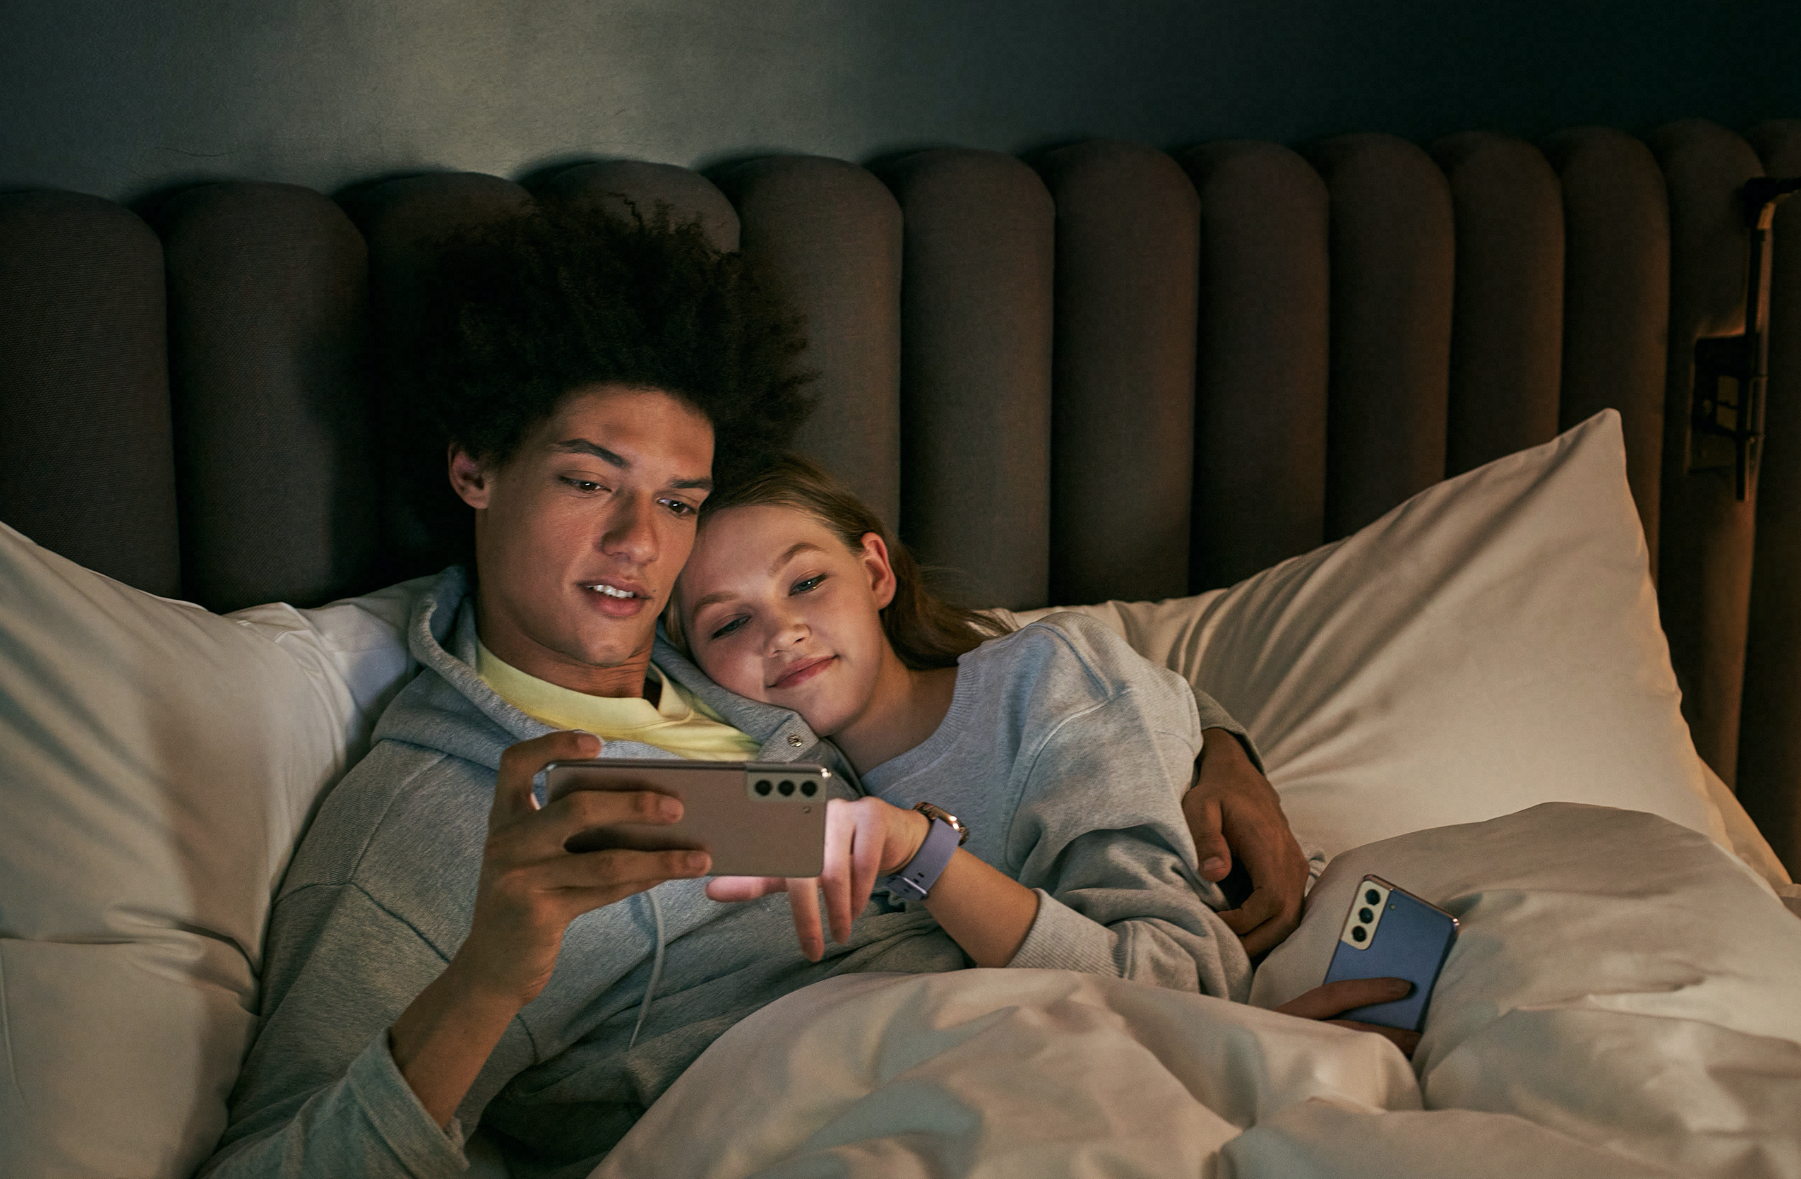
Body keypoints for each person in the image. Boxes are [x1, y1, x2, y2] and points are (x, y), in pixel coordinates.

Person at [199, 204, 1347, 1179]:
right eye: (589, 481)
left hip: (1063, 1054)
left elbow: (1038, 667)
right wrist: (489, 977)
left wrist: (1216, 751)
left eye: (679, 501)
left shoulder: (736, 660)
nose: (638, 544)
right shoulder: (417, 828)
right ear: (476, 469)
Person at [668, 455, 1422, 1050]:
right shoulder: (789, 772)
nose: (780, 631)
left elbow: (1173, 974)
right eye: (728, 624)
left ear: (873, 571)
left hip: (1291, 987)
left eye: (805, 581)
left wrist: (924, 858)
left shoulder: (1042, 683)